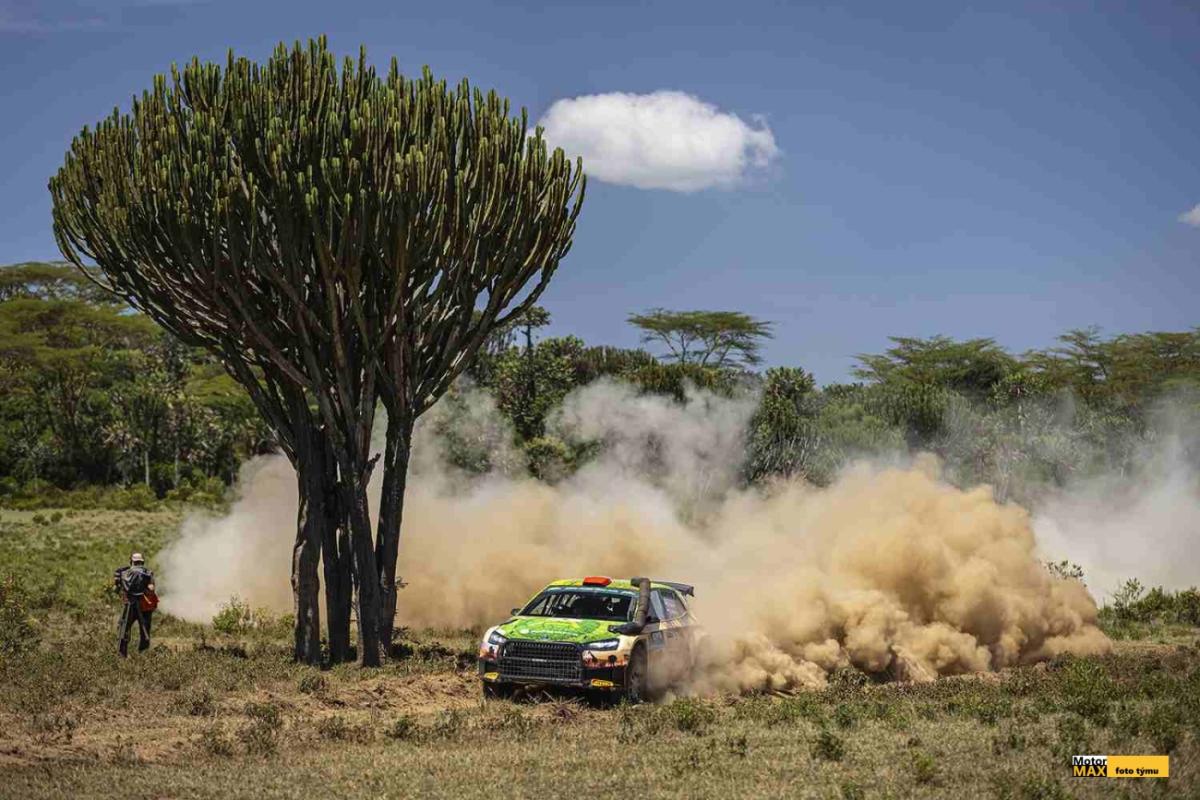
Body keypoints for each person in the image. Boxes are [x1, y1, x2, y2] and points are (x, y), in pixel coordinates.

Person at [114, 552, 155, 656]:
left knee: (124, 629)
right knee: (144, 630)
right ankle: (143, 654)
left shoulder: (123, 573)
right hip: (143, 606)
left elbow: (116, 589)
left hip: (129, 605)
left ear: (131, 562)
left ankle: (122, 654)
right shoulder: (147, 573)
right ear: (142, 562)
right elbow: (151, 589)